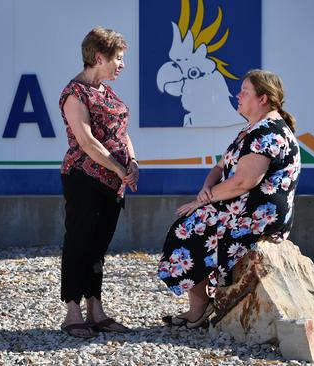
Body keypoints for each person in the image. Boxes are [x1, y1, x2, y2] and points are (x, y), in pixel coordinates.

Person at [157, 69, 301, 328]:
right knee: (192, 221)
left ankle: (200, 308)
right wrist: (206, 190)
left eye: (245, 91)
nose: (238, 95)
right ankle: (202, 305)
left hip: (260, 216)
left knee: (188, 228)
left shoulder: (268, 131)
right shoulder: (251, 130)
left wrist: (203, 201)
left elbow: (245, 181)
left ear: (263, 98)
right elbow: (218, 168)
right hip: (243, 207)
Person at [58, 27, 139, 338]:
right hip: (84, 179)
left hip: (113, 182)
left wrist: (132, 163)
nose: (122, 65)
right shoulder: (74, 93)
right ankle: (72, 311)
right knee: (79, 242)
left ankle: (96, 309)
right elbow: (87, 141)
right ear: (98, 56)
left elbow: (122, 133)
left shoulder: (107, 92)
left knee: (98, 247)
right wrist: (120, 169)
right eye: (118, 59)